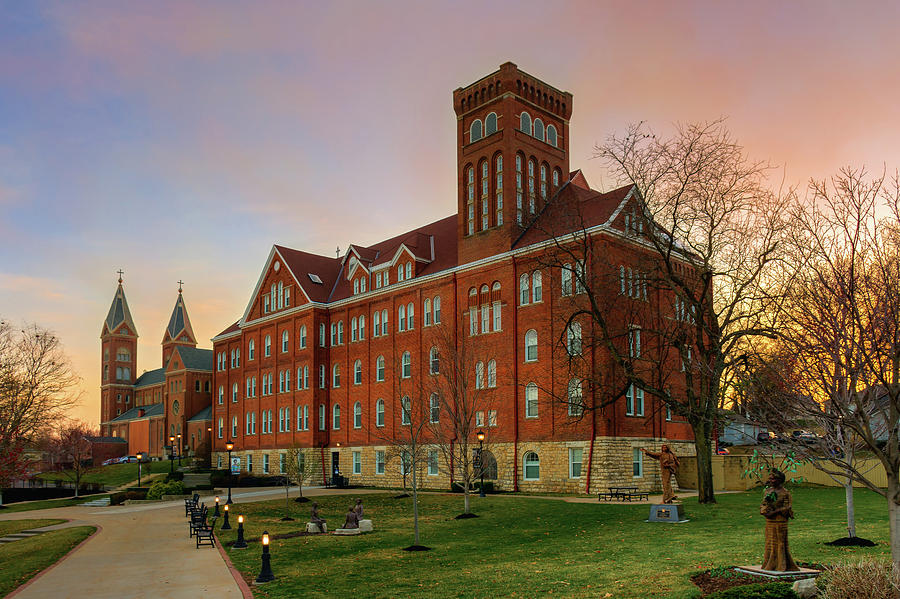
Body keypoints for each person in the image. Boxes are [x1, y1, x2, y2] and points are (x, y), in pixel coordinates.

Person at [760, 469, 798, 571]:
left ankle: (781, 564)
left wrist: (774, 512)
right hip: (770, 522)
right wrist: (764, 510)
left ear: (779, 480)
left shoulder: (785, 493)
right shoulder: (768, 491)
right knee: (770, 542)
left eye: (773, 479)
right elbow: (764, 504)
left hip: (780, 522)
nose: (771, 480)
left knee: (780, 542)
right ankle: (769, 562)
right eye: (770, 478)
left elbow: (787, 507)